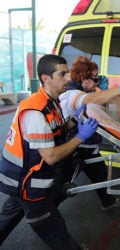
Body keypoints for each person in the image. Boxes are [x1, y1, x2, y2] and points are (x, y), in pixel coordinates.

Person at [0, 54, 99, 249]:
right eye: (62, 74)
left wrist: (77, 119)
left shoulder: (51, 102)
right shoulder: (35, 112)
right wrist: (81, 137)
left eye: (68, 73)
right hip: (29, 183)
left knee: (8, 217)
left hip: (21, 179)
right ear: (46, 78)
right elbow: (51, 156)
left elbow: (57, 129)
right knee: (53, 228)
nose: (69, 78)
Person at [59, 56, 120, 210]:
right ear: (84, 80)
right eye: (95, 79)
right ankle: (44, 208)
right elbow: (89, 99)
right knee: (60, 186)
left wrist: (103, 90)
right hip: (75, 146)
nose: (97, 82)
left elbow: (113, 113)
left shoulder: (83, 92)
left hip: (86, 144)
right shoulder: (72, 95)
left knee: (98, 171)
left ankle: (108, 201)